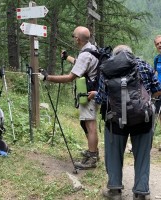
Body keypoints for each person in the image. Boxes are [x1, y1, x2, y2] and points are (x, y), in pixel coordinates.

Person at [94, 45, 161, 200]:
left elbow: (101, 99)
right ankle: (141, 192)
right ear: (131, 54)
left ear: (114, 56)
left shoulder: (107, 69)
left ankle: (114, 190)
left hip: (115, 121)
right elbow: (159, 89)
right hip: (142, 119)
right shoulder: (144, 65)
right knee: (143, 156)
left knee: (113, 155)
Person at [38, 26, 99, 169]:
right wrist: (67, 58)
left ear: (78, 39)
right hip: (93, 91)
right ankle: (92, 152)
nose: (73, 38)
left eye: (73, 36)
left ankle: (93, 157)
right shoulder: (92, 49)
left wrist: (47, 77)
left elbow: (70, 77)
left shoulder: (86, 54)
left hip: (89, 93)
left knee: (90, 125)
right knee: (86, 123)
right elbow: (80, 62)